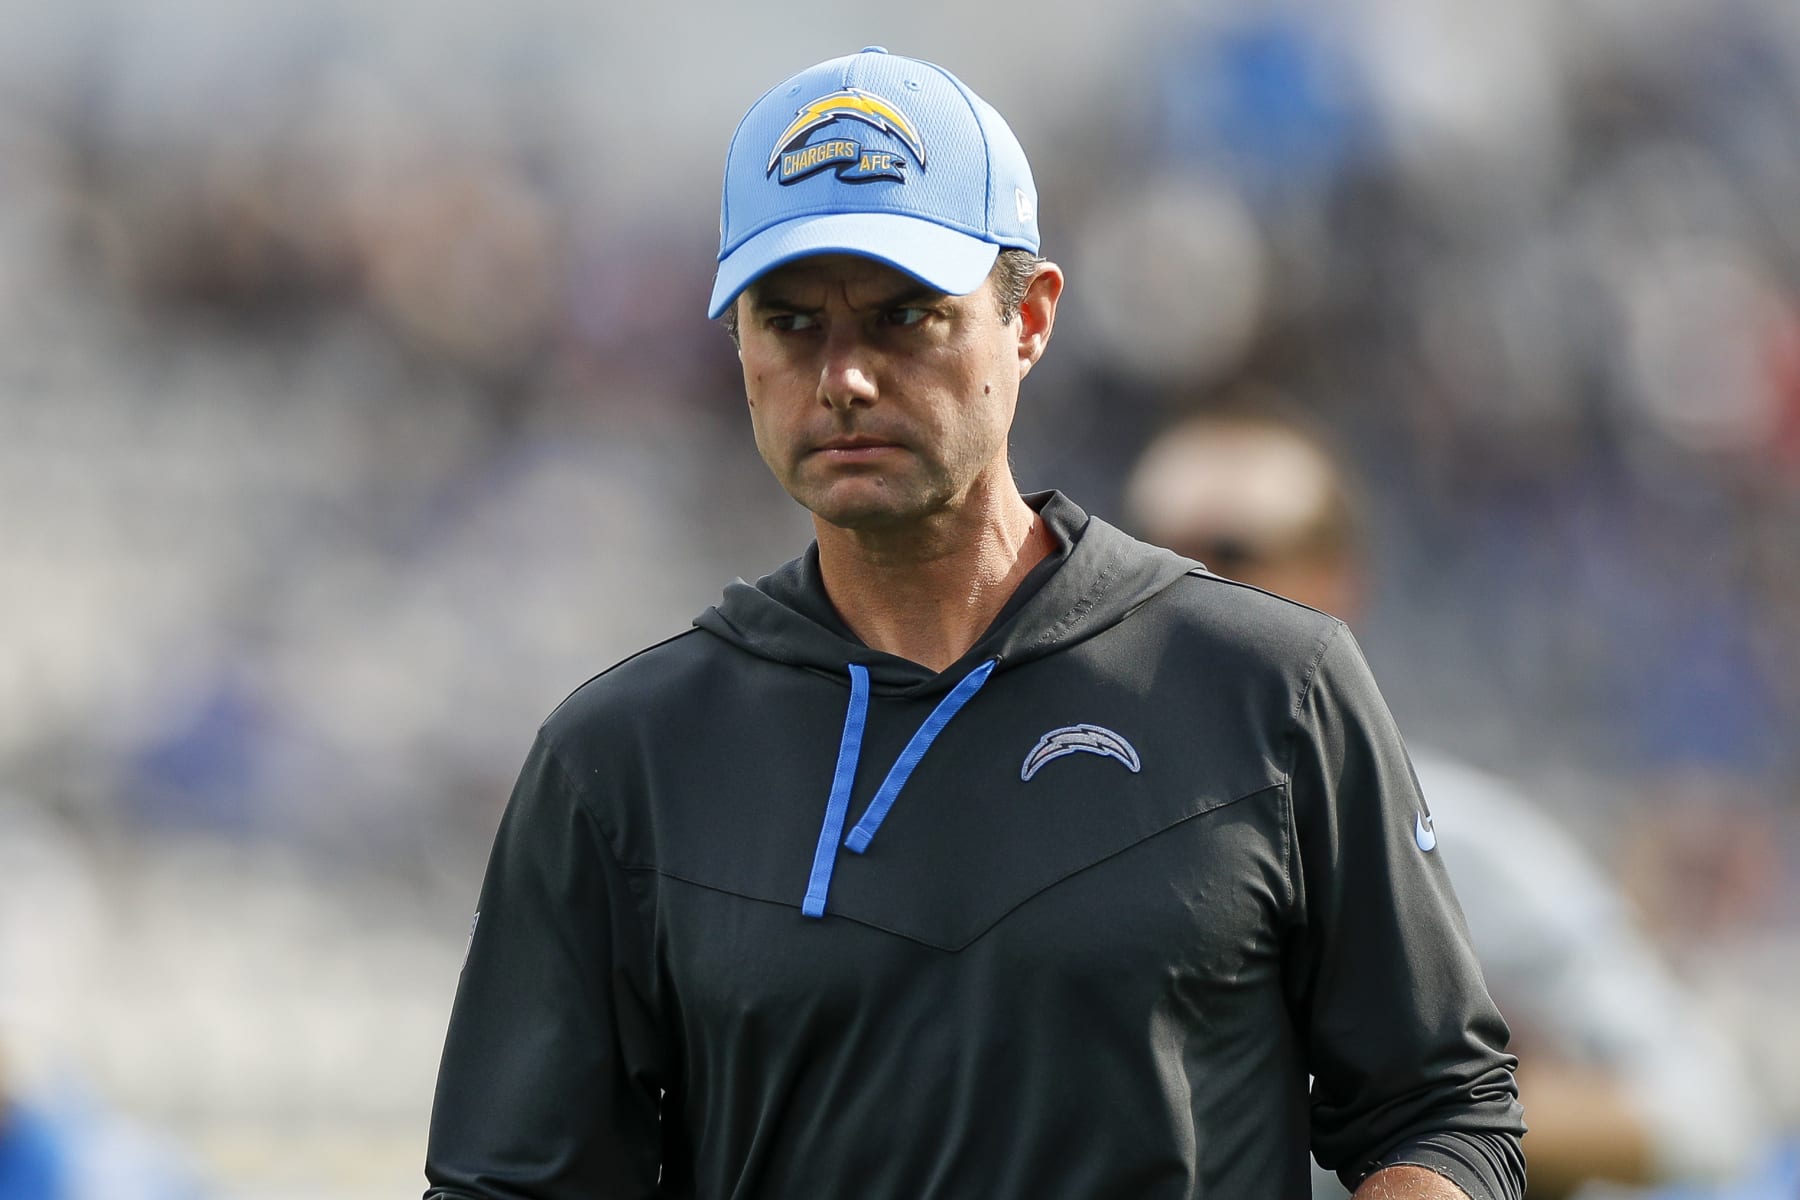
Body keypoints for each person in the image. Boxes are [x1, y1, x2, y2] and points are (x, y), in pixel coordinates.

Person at [423, 48, 1525, 1200]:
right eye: (792, 323)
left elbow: (1442, 1108)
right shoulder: (623, 758)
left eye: (904, 317)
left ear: (1030, 318)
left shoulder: (1270, 687)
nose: (845, 377)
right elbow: (510, 1183)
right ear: (740, 346)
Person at [1124, 407, 1769, 1199]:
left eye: (1229, 554)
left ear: (1334, 583)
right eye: (1148, 556)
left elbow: (1699, 1112)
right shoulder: (1062, 825)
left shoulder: (1453, 839)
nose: (1184, 589)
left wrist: (1432, 1114)